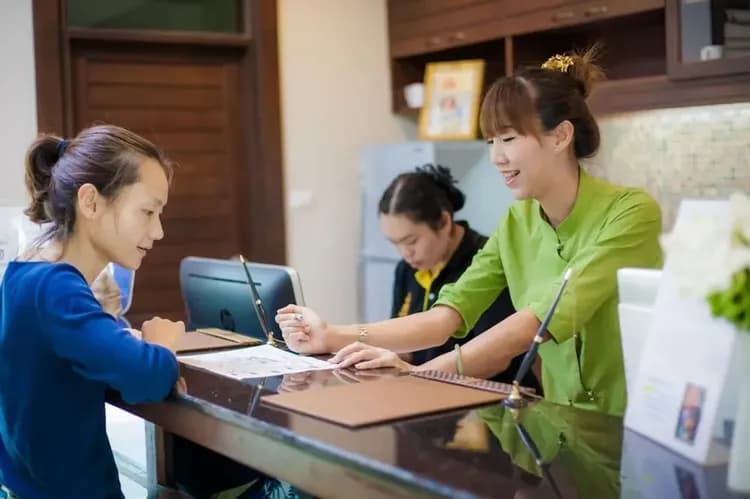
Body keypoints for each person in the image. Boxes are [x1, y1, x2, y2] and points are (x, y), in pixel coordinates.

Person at [276, 48, 663, 417]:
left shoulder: (631, 213)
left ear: (560, 136)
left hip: (627, 427)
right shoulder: (517, 222)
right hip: (561, 427)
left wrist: (418, 376)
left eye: (508, 139)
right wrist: (331, 335)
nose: (496, 157)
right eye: (491, 141)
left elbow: (533, 323)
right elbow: (446, 316)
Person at [0, 125, 186, 498]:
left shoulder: (25, 272)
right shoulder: (56, 288)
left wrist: (118, 341)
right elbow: (146, 376)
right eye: (147, 211)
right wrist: (162, 346)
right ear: (90, 202)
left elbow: (72, 355)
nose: (158, 231)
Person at [378, 163, 539, 389]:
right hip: (427, 387)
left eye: (411, 241)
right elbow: (408, 347)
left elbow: (495, 359)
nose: (405, 253)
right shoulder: (407, 269)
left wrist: (417, 374)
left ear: (444, 222)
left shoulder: (485, 263)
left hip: (487, 395)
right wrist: (382, 355)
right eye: (395, 244)